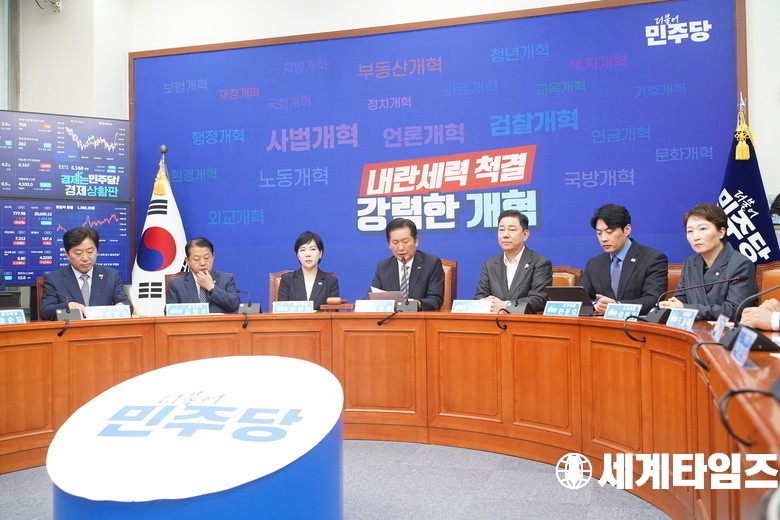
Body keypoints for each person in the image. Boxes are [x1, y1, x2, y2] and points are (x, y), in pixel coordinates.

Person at [659, 203, 758, 320]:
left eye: (702, 229)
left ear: (721, 232)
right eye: (690, 231)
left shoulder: (740, 264)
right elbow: (681, 299)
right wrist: (672, 305)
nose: (695, 237)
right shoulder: (690, 263)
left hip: (726, 329)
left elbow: (735, 310)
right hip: (694, 327)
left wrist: (686, 308)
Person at [580, 204, 668, 315]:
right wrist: (594, 306)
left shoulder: (653, 259)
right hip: (602, 324)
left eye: (609, 232)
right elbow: (579, 299)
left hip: (635, 323)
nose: (603, 238)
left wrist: (616, 306)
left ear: (627, 230)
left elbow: (653, 300)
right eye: (599, 233)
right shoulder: (594, 264)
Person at [40, 227, 130, 320]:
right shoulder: (54, 279)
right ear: (67, 254)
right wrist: (68, 306)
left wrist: (122, 306)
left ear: (97, 250)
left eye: (90, 252)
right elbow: (45, 312)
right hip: (71, 328)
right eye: (78, 253)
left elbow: (126, 303)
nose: (85, 258)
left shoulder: (111, 275)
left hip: (102, 328)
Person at [474, 209, 552, 312]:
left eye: (512, 230)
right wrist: (484, 302)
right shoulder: (489, 265)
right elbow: (479, 297)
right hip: (494, 320)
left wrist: (505, 305)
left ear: (525, 234)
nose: (505, 235)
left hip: (523, 321)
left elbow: (539, 300)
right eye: (501, 230)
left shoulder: (539, 263)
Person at [370, 218, 444, 310]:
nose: (401, 248)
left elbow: (435, 300)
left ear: (416, 241)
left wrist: (417, 303)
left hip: (419, 317)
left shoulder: (431, 263)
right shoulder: (383, 266)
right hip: (391, 318)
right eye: (395, 242)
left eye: (405, 242)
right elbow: (371, 297)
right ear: (389, 244)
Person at [167, 237, 240, 313]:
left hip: (218, 321)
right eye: (196, 259)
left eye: (206, 258)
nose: (202, 263)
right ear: (187, 261)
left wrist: (212, 287)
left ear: (213, 257)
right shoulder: (177, 284)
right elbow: (169, 312)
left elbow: (234, 305)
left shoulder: (225, 280)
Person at [277, 231, 339, 310]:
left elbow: (333, 312)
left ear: (320, 253)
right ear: (297, 255)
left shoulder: (330, 281)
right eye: (303, 250)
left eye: (312, 249)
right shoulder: (287, 280)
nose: (308, 254)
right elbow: (281, 311)